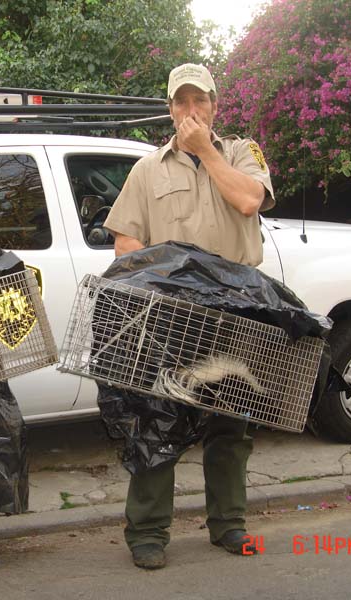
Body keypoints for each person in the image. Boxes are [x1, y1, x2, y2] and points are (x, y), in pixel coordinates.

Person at [102, 63, 276, 570]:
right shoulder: (147, 168)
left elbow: (248, 200)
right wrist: (163, 277)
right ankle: (148, 533)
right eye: (182, 102)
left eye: (200, 101)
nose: (191, 110)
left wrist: (205, 150)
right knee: (157, 422)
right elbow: (125, 244)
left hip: (239, 310)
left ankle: (229, 526)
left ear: (215, 106)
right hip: (171, 314)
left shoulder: (243, 153)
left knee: (232, 424)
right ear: (171, 108)